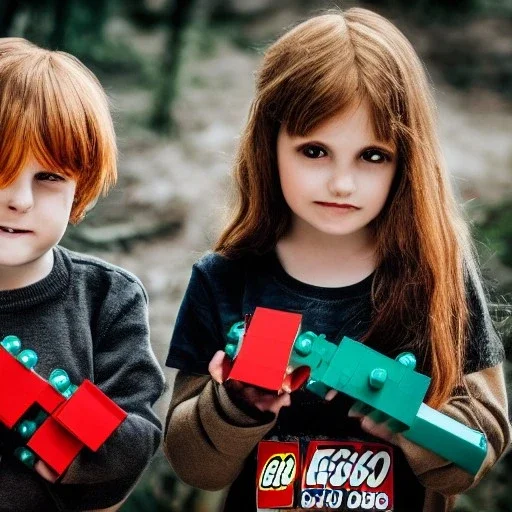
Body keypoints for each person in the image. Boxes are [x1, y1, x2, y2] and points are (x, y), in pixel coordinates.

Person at [163, 8, 510, 512]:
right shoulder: (225, 279)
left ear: (405, 161)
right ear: (270, 145)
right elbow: (195, 465)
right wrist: (236, 404)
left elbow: (482, 446)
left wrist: (405, 414)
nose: (342, 183)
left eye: (372, 156)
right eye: (314, 151)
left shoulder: (437, 274)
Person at [0, 38, 165, 511]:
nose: (20, 200)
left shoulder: (108, 298)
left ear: (81, 187)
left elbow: (137, 437)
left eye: (48, 177)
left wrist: (69, 435)